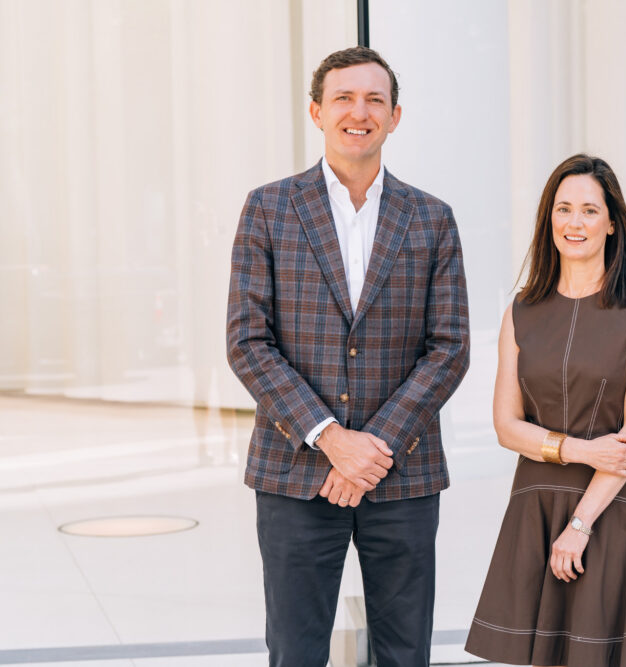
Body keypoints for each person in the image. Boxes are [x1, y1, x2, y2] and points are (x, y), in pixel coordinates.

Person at [226, 46, 469, 667]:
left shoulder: (432, 218)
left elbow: (449, 348)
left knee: (405, 652)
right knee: (295, 651)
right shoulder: (268, 208)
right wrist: (332, 439)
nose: (359, 112)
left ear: (394, 117)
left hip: (403, 474)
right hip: (296, 471)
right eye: (343, 98)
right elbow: (248, 342)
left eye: (374, 100)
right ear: (317, 112)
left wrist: (372, 449)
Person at [464, 154, 626, 667]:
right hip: (534, 506)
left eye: (589, 210)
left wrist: (580, 526)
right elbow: (506, 426)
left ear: (612, 223)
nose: (574, 222)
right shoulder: (520, 311)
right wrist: (580, 450)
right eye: (563, 209)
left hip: (609, 508)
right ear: (549, 219)